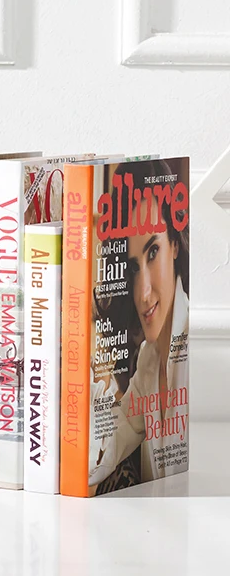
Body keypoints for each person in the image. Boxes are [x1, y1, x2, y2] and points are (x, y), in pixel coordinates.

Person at [88, 159, 190, 489]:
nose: (143, 293)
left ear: (175, 244)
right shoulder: (148, 359)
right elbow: (105, 452)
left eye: (153, 251)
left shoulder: (191, 346)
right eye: (133, 267)